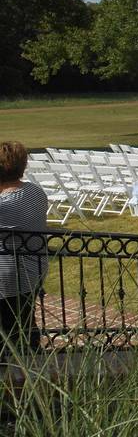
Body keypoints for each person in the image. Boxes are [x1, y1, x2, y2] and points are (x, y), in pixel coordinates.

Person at [0, 142, 48, 355]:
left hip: (7, 278)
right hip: (33, 271)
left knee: (8, 334)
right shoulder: (35, 193)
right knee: (25, 323)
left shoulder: (5, 204)